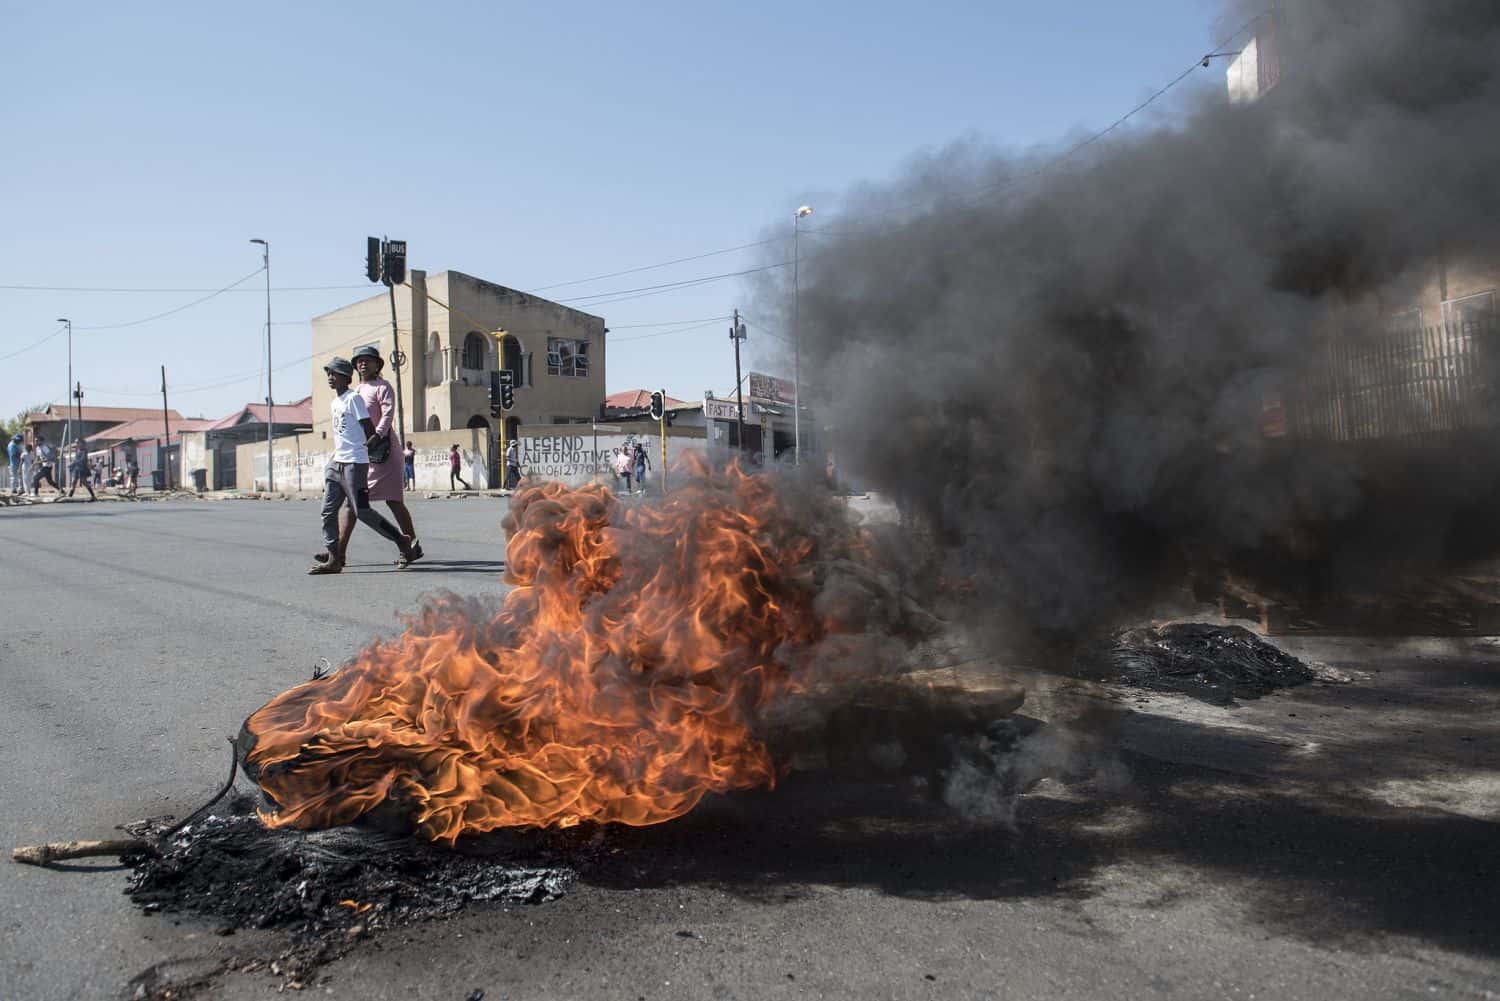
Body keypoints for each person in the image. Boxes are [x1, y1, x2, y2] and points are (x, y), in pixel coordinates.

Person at [308, 356, 417, 575]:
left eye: (334, 374)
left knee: (363, 511)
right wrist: (334, 458)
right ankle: (334, 557)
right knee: (327, 511)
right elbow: (342, 434)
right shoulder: (335, 402)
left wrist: (370, 446)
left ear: (346, 378)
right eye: (328, 373)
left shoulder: (354, 398)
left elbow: (369, 428)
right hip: (337, 463)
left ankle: (401, 540)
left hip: (355, 464)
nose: (330, 377)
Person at [333, 346, 423, 567]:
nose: (363, 363)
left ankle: (410, 546)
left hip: (386, 453)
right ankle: (337, 554)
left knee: (394, 501)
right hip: (363, 455)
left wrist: (377, 436)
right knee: (351, 504)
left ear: (377, 365)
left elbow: (388, 414)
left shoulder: (382, 387)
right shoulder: (353, 393)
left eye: (369, 360)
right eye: (359, 361)